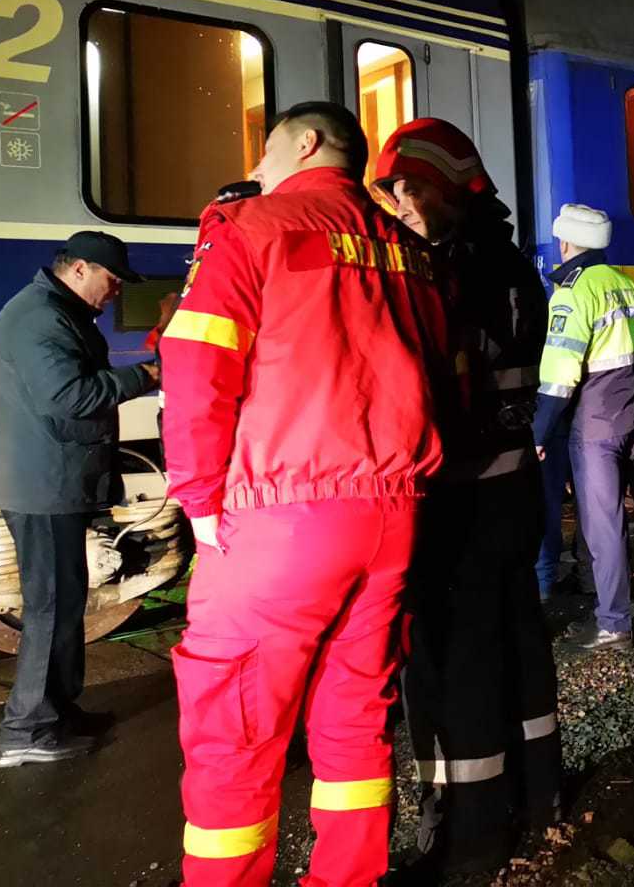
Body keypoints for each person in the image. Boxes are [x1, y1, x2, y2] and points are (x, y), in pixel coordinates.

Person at [159, 101, 448, 887]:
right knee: (355, 720)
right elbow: (439, 374)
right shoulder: (407, 249)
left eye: (265, 154)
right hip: (393, 514)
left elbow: (198, 364)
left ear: (307, 144)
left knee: (236, 731)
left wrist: (200, 499)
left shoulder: (251, 227)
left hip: (281, 516)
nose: (255, 171)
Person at [373, 118, 561, 878]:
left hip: (457, 498)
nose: (400, 203)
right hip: (512, 490)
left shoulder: (448, 272)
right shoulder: (510, 263)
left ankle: (470, 833)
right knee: (518, 640)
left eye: (413, 188)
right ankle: (539, 792)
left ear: (452, 190)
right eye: (394, 190)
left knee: (454, 660)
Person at [0, 232, 158, 767]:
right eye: (111, 279)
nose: (116, 290)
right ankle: (27, 728)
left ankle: (56, 711)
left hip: (49, 480)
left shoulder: (55, 312)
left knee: (64, 604)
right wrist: (146, 374)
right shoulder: (41, 318)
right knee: (51, 607)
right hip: (42, 486)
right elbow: (69, 396)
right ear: (79, 268)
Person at [532, 204, 634, 653]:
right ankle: (612, 605)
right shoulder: (628, 286)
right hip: (631, 413)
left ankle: (613, 624)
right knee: (614, 519)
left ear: (566, 242)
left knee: (602, 525)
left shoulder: (573, 293)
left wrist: (539, 433)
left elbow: (559, 374)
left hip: (595, 422)